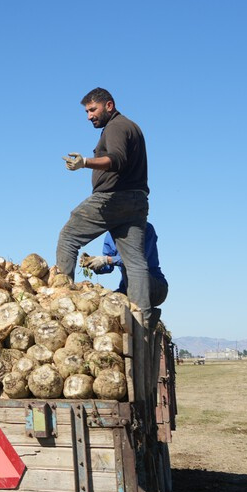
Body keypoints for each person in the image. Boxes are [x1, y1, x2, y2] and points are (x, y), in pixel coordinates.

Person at [55, 87, 156, 332]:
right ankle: (143, 317)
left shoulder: (116, 127)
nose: (89, 116)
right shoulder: (131, 126)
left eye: (92, 109)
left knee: (68, 237)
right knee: (135, 262)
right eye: (87, 111)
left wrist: (85, 163)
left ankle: (60, 303)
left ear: (108, 105)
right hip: (137, 201)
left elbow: (116, 159)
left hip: (113, 198)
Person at [79, 223, 168, 307]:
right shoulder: (110, 235)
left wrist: (106, 260)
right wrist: (94, 263)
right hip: (126, 289)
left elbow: (138, 260)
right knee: (103, 302)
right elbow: (108, 268)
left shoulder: (145, 228)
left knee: (130, 267)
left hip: (154, 287)